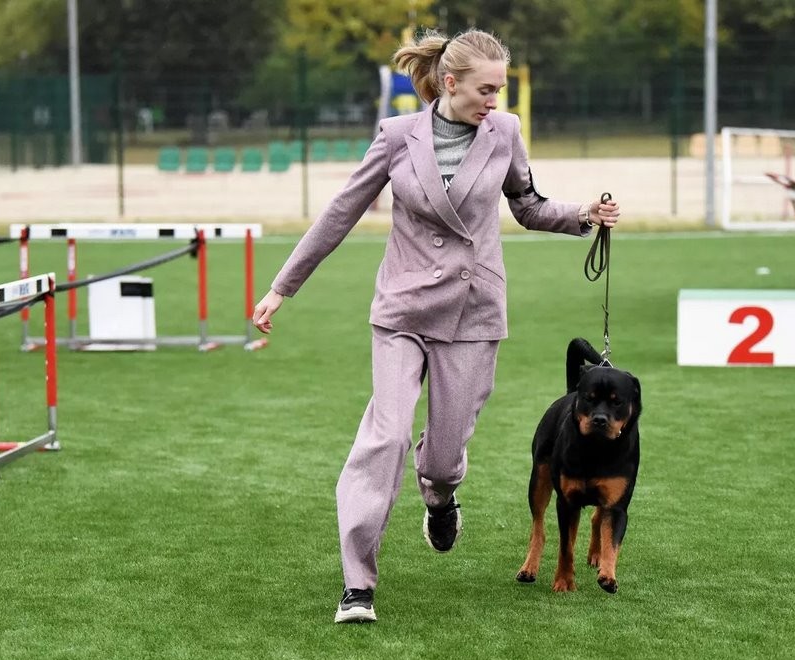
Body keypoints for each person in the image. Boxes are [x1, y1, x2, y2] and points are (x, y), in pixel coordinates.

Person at [251, 28, 620, 624]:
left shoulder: (505, 133)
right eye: (485, 89)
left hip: (473, 314)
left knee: (443, 461)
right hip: (402, 310)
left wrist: (582, 213)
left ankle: (441, 499)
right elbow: (340, 212)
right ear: (450, 83)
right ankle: (358, 585)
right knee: (387, 436)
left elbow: (527, 206)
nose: (494, 100)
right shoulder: (398, 138)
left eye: (499, 88)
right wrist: (280, 287)